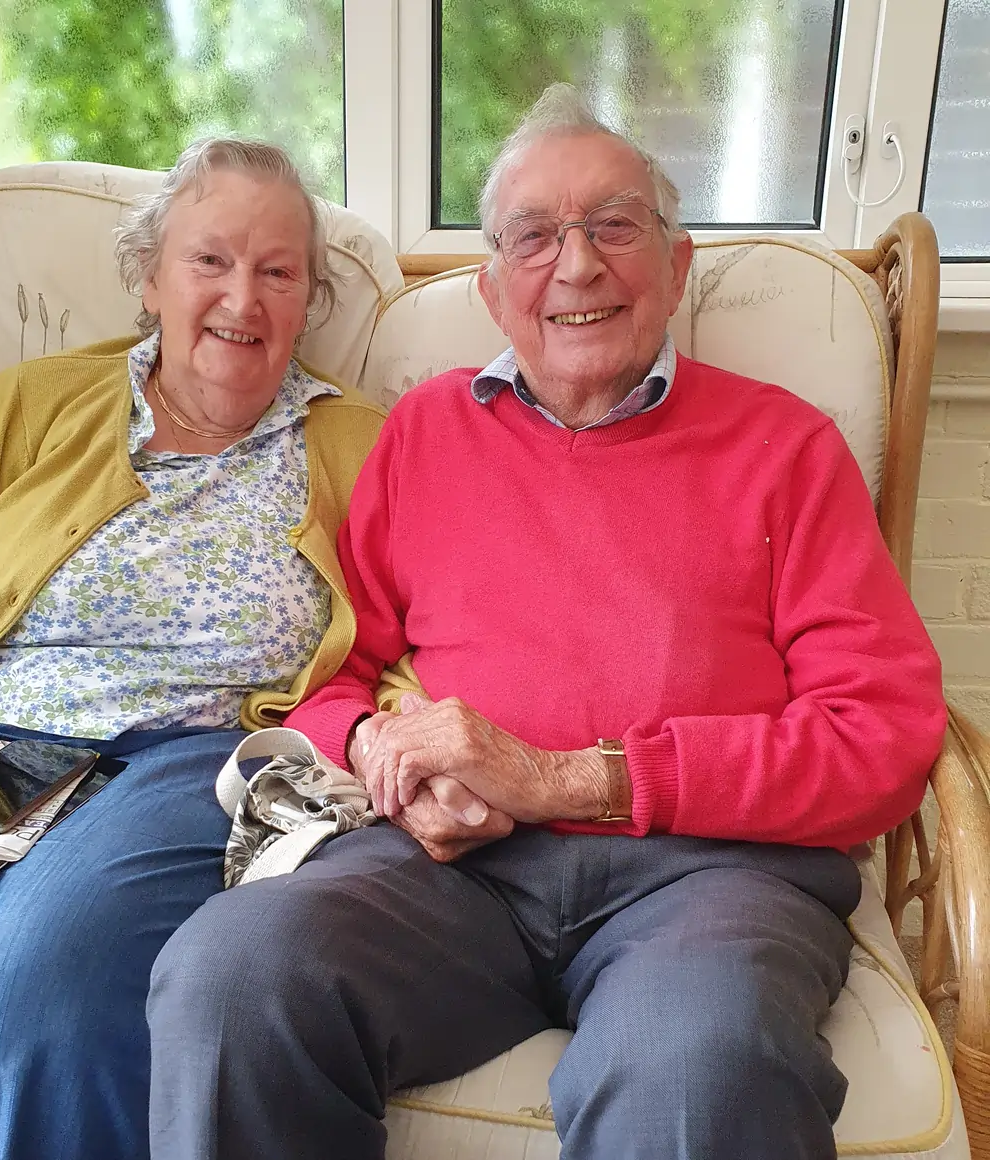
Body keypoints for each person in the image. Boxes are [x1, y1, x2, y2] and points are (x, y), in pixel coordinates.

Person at [147, 86, 948, 1160]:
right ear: (491, 286)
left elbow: (882, 737)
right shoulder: (423, 434)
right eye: (535, 237)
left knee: (697, 1066)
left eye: (613, 226)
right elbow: (334, 677)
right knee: (230, 978)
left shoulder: (788, 450)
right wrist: (386, 753)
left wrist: (579, 777)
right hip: (450, 873)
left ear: (677, 265)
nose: (575, 266)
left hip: (710, 876)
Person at [0, 136, 383, 1160]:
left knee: (28, 993)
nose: (242, 296)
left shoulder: (363, 444)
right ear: (149, 278)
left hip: (173, 761)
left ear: (307, 298)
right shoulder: (33, 403)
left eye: (278, 270)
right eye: (210, 259)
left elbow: (421, 629)